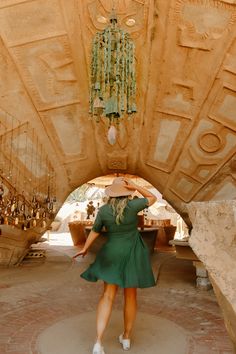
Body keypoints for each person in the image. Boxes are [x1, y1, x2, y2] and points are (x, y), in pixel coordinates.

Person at [73, 177, 157, 354]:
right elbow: (152, 197)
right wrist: (134, 186)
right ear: (126, 192)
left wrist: (85, 249)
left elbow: (95, 231)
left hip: (112, 252)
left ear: (110, 194)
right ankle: (126, 337)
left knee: (107, 296)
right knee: (130, 296)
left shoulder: (103, 211)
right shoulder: (133, 206)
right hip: (133, 252)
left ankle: (98, 343)